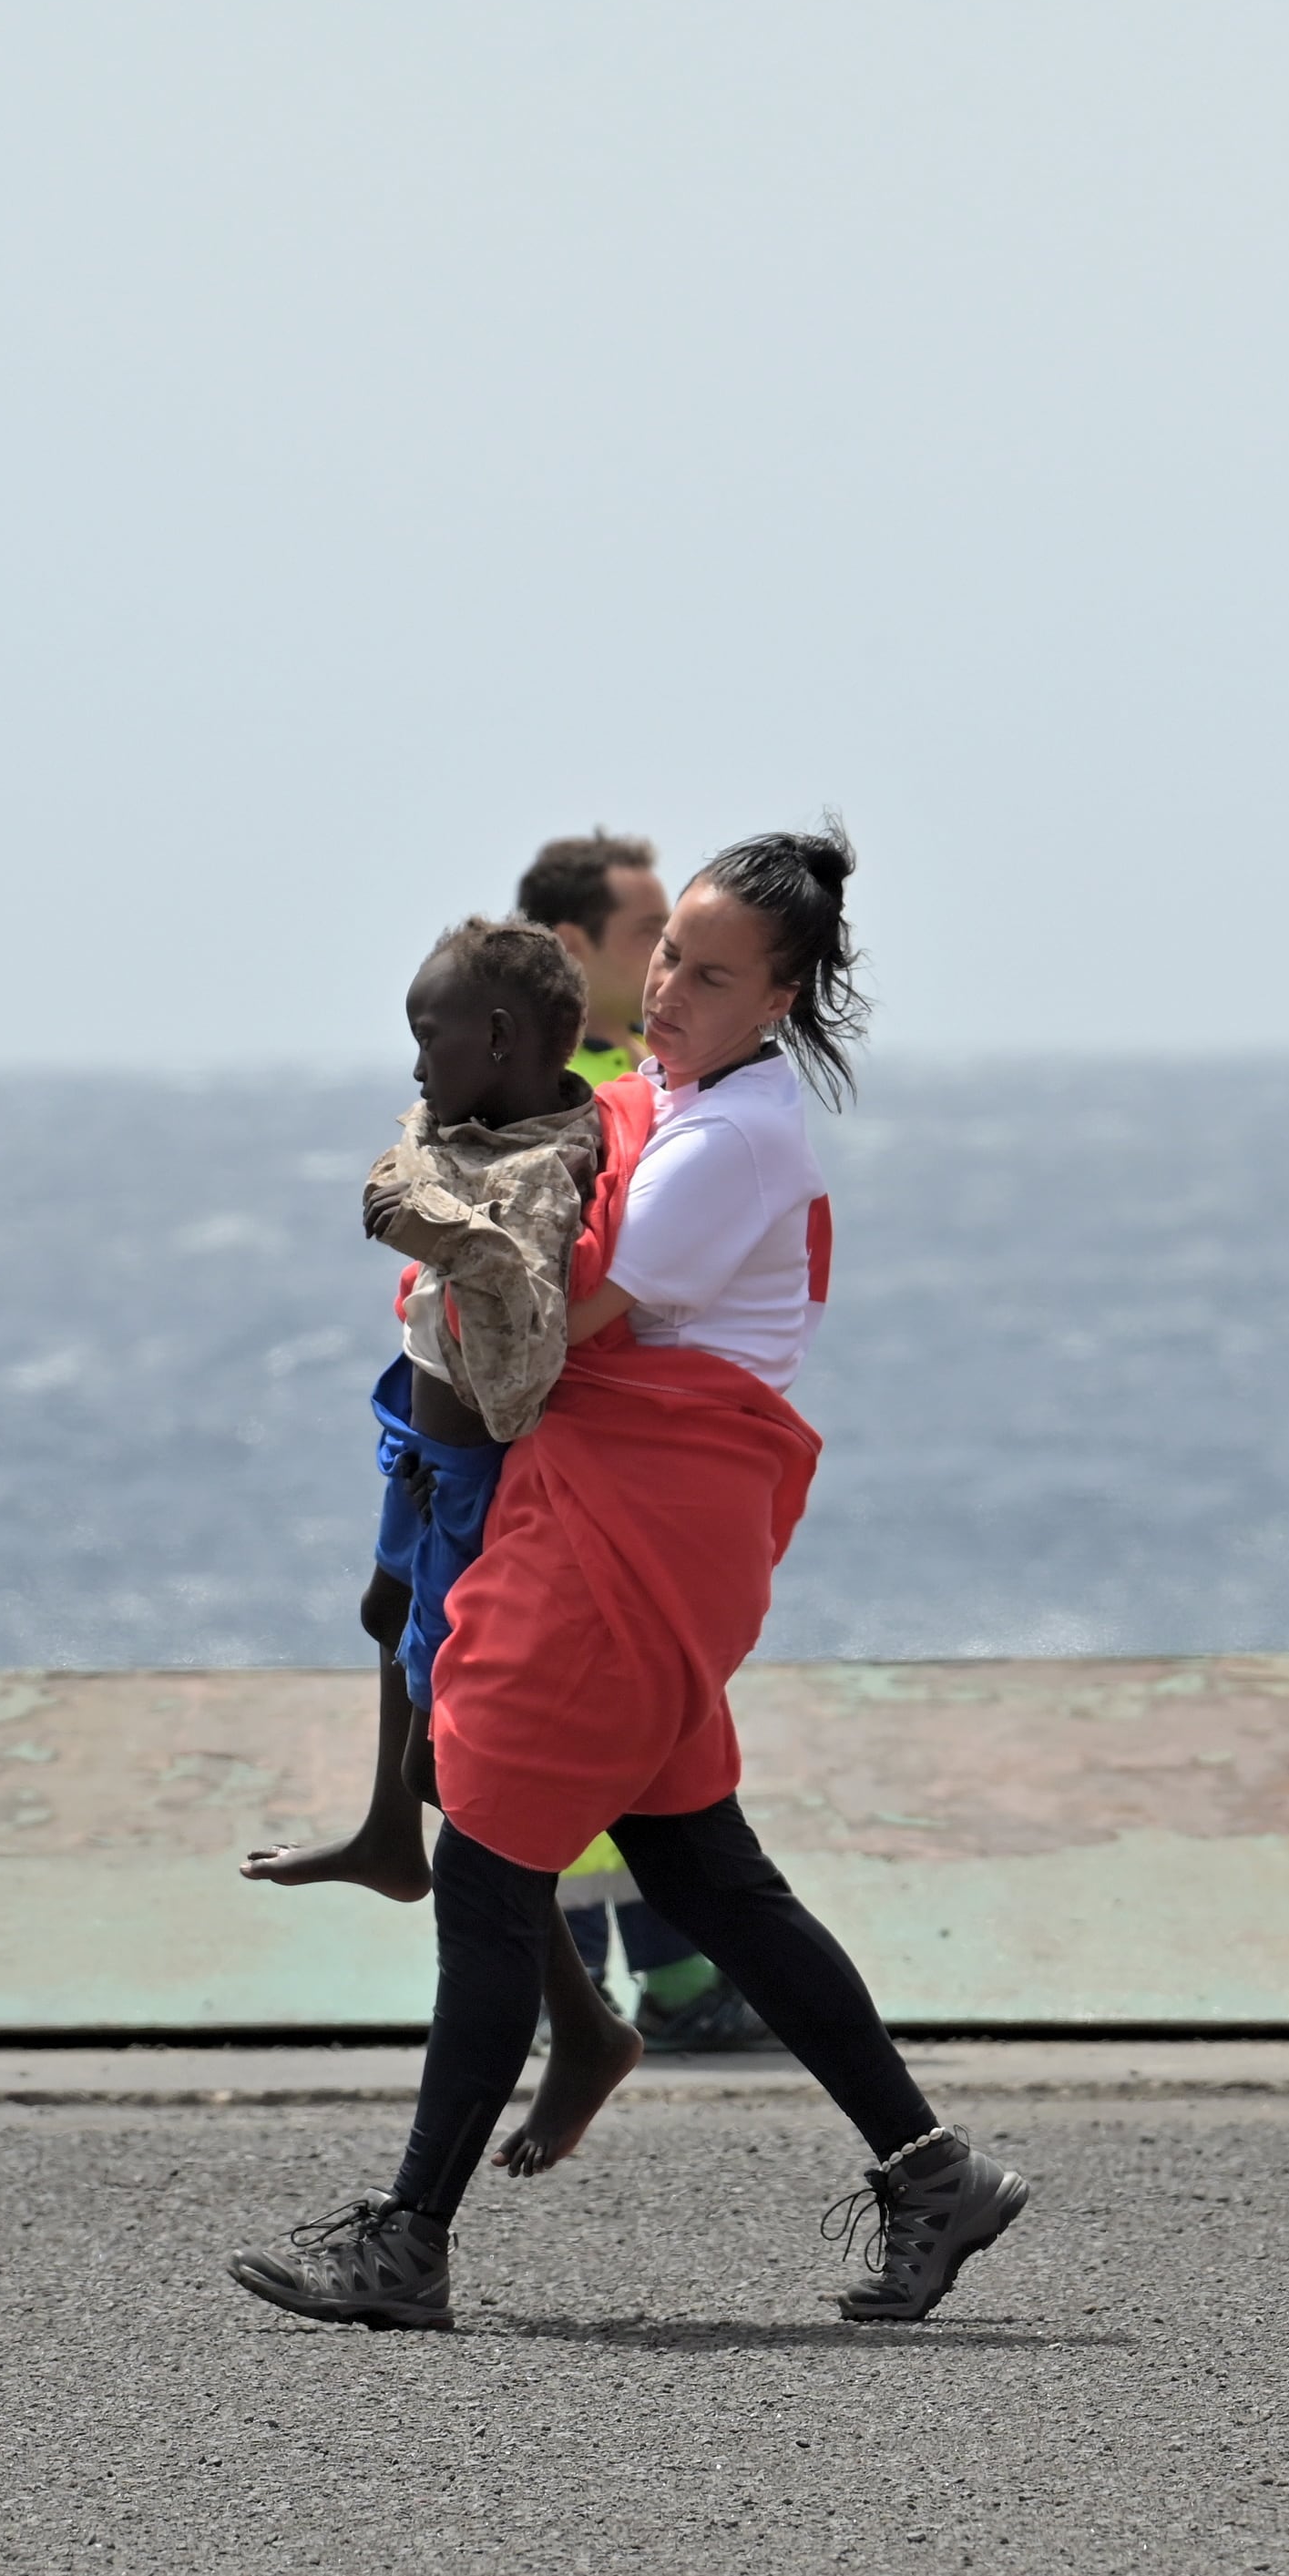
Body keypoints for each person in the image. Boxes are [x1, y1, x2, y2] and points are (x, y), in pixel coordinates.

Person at [228, 827, 1030, 2332]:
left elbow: (548, 1335)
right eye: (665, 956)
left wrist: (438, 1241)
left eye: (711, 975)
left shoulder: (735, 1142)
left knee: (483, 1869)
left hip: (636, 1520)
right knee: (701, 1871)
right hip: (639, 1514)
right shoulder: (666, 1096)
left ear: (780, 999)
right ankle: (935, 2175)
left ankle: (406, 2242)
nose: (666, 989)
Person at [236, 919, 651, 2170]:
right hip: (415, 1439)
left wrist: (436, 1227)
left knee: (453, 1771)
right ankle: (381, 1832)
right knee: (383, 1621)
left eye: (433, 1035)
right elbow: (415, 1146)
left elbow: (521, 1365)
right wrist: (419, 1170)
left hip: (473, 1466)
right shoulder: (471, 1127)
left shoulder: (532, 1175)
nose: (415, 1062)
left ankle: (580, 2029)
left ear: (506, 1041)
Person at [517, 829, 768, 2042]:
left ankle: (652, 1988)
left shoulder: (631, 1070)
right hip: (568, 1459)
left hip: (623, 1452)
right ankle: (651, 1993)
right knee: (586, 1733)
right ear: (573, 948)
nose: (668, 964)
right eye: (646, 940)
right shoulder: (535, 1081)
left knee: (622, 1727)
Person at [519, 830, 674, 1085]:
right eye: (648, 932)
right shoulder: (540, 1085)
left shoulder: (690, 1055)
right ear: (569, 945)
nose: (666, 950)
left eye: (667, 932)